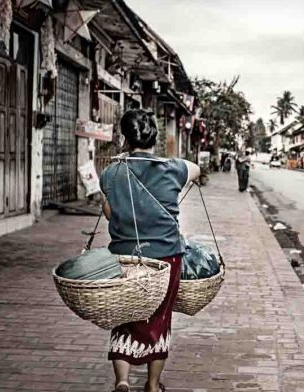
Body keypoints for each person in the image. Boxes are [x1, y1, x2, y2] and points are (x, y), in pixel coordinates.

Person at [99, 109, 201, 392]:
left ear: (124, 138)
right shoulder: (173, 168)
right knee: (159, 317)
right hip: (165, 255)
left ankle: (121, 380)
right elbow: (197, 169)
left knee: (124, 315)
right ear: (154, 137)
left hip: (124, 256)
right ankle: (153, 386)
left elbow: (111, 214)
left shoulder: (111, 172)